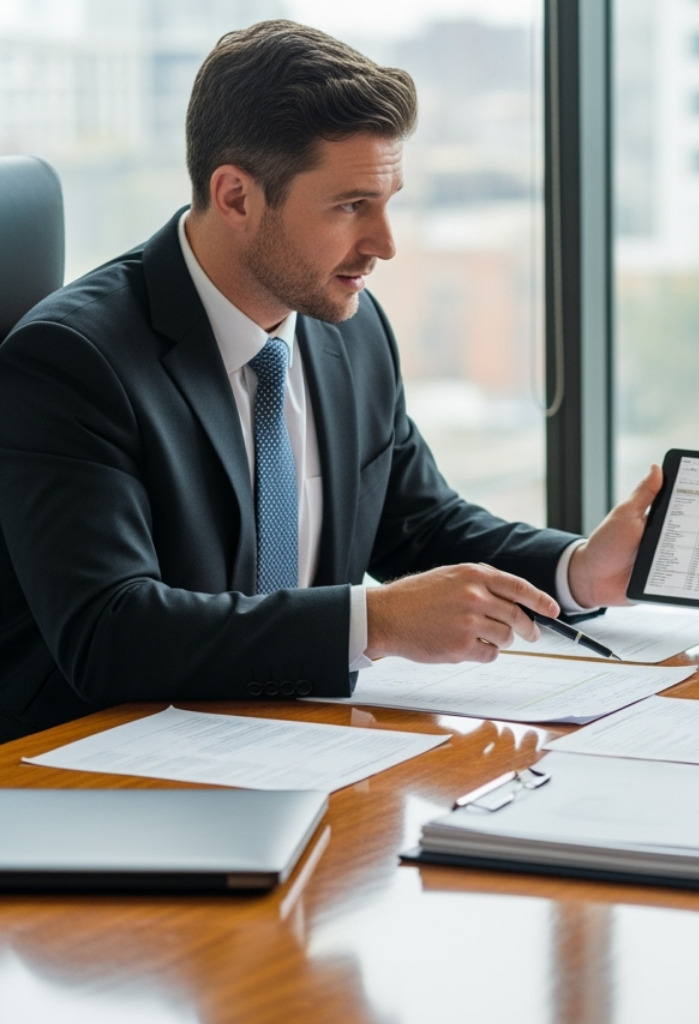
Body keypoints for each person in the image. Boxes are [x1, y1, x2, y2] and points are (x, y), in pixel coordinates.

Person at [0, 20, 659, 742]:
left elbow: (418, 523)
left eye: (388, 201)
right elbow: (110, 634)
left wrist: (575, 572)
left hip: (295, 745)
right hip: (94, 773)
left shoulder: (349, 325)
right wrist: (372, 623)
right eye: (351, 207)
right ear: (236, 197)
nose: (384, 244)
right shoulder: (73, 362)